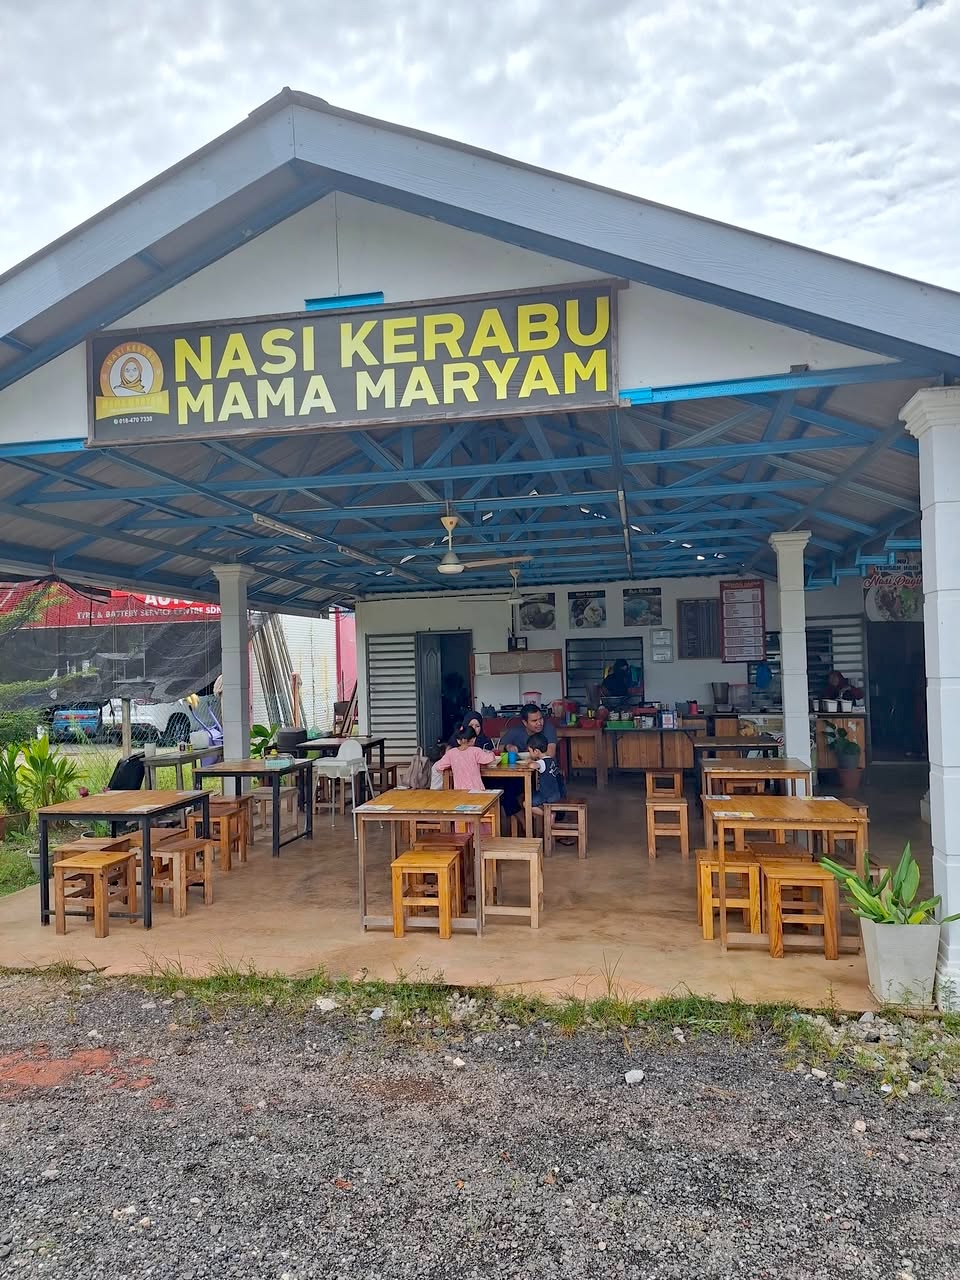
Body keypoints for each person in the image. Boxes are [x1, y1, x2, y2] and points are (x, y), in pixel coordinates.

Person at [433, 726, 497, 791]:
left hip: (459, 792)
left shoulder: (451, 753)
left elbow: (438, 767)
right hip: (477, 791)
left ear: (458, 740)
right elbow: (489, 759)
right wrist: (491, 752)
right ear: (474, 739)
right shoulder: (476, 751)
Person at [527, 732, 566, 812]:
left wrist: (529, 762)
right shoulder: (551, 760)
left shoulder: (542, 762)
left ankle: (547, 816)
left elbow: (532, 766)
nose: (529, 753)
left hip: (546, 795)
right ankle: (550, 814)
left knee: (526, 803)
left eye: (530, 751)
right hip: (556, 794)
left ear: (536, 751)